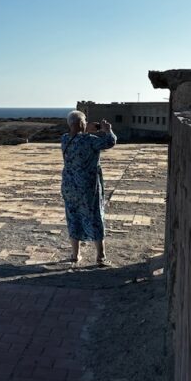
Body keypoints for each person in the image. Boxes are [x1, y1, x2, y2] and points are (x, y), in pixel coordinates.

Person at [60, 110, 117, 266]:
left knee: (73, 217)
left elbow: (77, 138)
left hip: (69, 186)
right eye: (84, 121)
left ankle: (75, 254)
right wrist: (107, 129)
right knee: (94, 217)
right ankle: (101, 256)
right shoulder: (90, 140)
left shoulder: (64, 139)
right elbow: (110, 142)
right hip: (87, 186)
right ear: (80, 123)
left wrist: (86, 130)